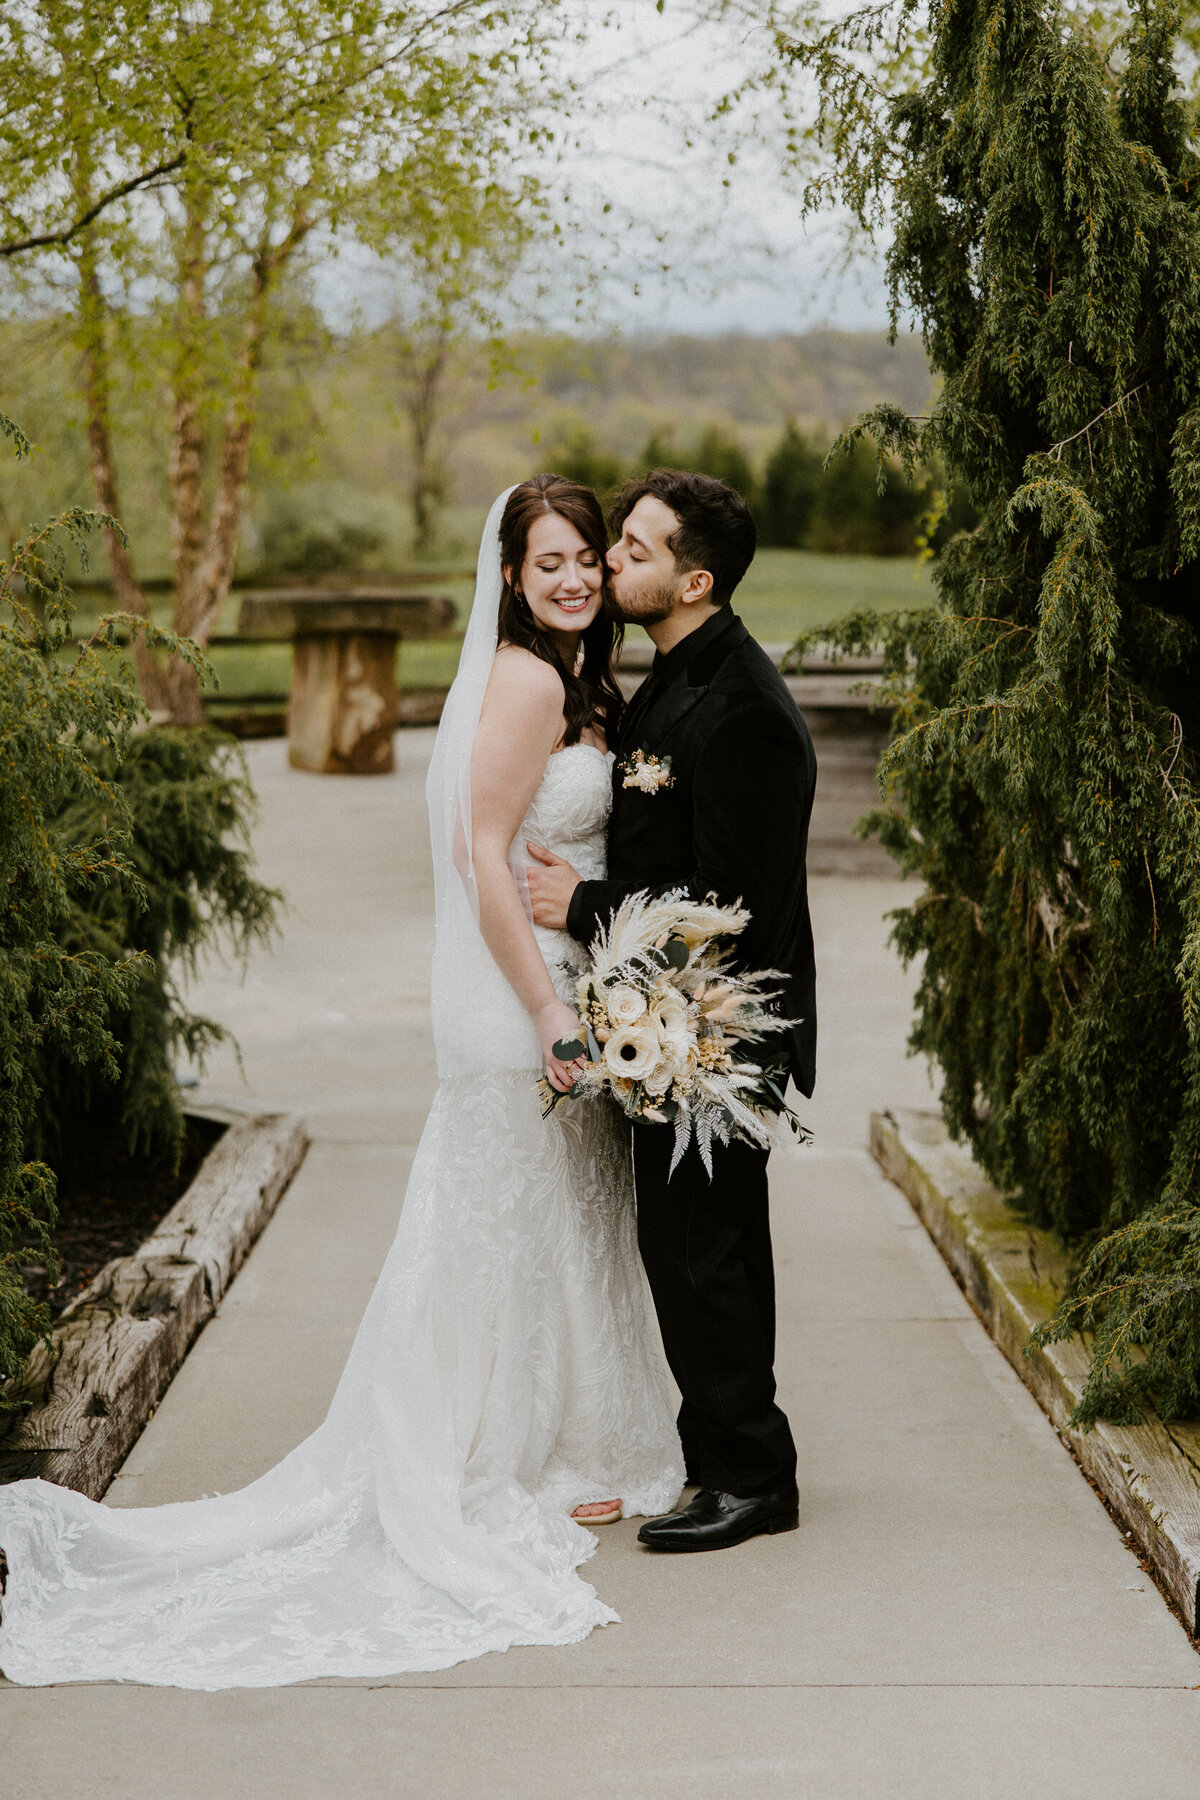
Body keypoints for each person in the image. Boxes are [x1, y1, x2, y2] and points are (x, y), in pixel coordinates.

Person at [0, 476, 683, 1690]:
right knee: (504, 1225)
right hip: (517, 990)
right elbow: (481, 851)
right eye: (550, 564)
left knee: (552, 1221)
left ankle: (560, 1444)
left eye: (587, 557)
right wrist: (540, 1006)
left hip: (557, 973)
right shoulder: (528, 682)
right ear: (512, 581)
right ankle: (499, 1456)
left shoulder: (572, 681)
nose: (575, 578)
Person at [527, 469, 817, 1553]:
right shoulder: (671, 676)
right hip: (666, 1022)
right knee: (695, 1247)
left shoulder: (740, 708)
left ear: (694, 579)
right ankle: (728, 1457)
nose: (610, 563)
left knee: (706, 1253)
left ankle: (751, 1477)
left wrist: (583, 902)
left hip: (718, 1033)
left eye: (636, 550)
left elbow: (730, 911)